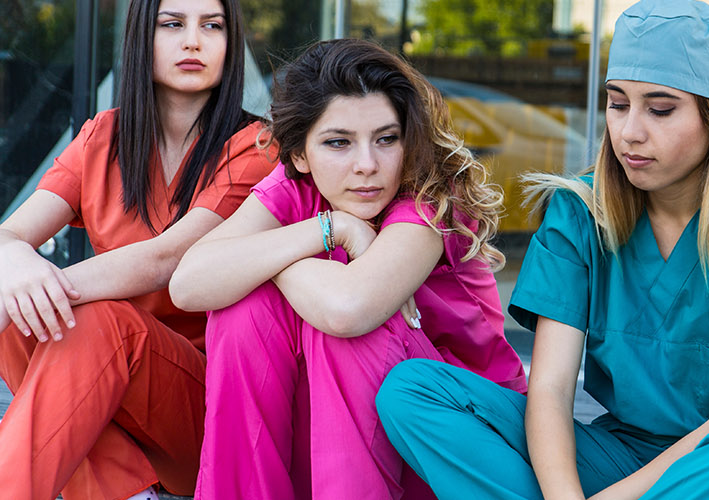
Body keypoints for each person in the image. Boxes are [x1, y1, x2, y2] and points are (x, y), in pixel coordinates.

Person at [375, 1, 709, 498]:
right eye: (618, 104)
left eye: (660, 109)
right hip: (617, 456)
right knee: (413, 389)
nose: (630, 131)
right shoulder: (579, 212)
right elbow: (548, 391)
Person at [168, 38, 526, 500]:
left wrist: (271, 257)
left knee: (336, 323)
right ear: (300, 154)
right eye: (338, 143)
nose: (366, 166)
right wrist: (328, 229)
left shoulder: (429, 195)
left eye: (386, 139)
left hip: (456, 442)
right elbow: (188, 283)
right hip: (337, 446)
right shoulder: (298, 185)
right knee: (245, 310)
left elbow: (347, 309)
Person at [0, 0, 275, 497]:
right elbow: (7, 235)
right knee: (21, 312)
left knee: (86, 317)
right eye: (172, 24)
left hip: (202, 414)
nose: (193, 40)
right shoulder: (103, 136)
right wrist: (15, 262)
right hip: (100, 405)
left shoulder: (256, 146)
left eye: (211, 26)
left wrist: (36, 283)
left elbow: (167, 259)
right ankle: (122, 490)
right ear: (140, 36)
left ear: (231, 43)